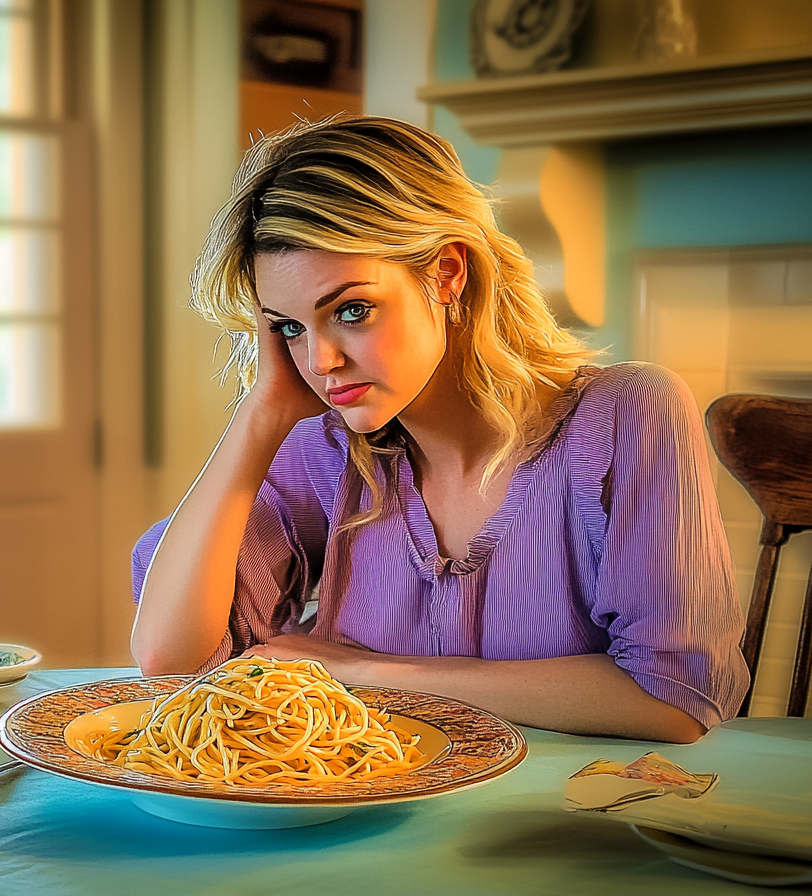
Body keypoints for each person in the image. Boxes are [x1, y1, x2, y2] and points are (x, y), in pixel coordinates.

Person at [129, 115, 747, 744]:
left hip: (570, 821)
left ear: (448, 273)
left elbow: (673, 699)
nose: (320, 362)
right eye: (288, 326)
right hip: (370, 822)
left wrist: (367, 673)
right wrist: (259, 413)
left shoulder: (623, 419)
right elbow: (171, 661)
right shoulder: (330, 453)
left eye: (351, 310)